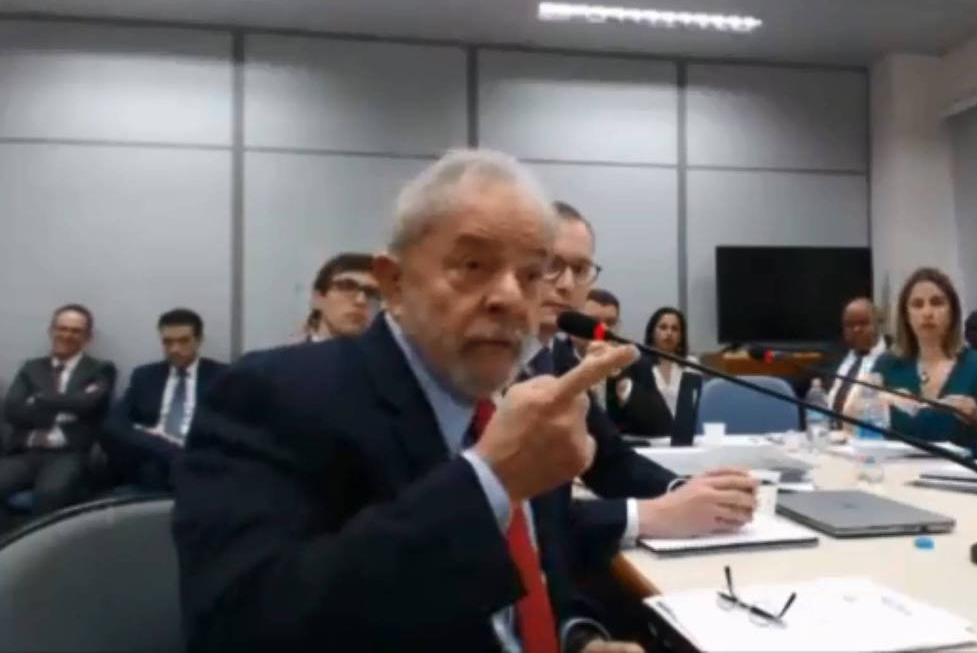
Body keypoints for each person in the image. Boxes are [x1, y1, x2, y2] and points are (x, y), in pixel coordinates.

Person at [172, 149, 644, 652]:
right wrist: (487, 482)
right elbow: (240, 628)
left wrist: (578, 640)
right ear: (393, 282)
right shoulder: (274, 396)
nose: (510, 298)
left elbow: (533, 585)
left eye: (531, 275)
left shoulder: (519, 401)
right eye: (473, 265)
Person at [539, 202, 756, 553]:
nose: (565, 284)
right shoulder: (494, 363)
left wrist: (685, 490)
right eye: (551, 264)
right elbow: (529, 518)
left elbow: (611, 460)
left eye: (580, 269)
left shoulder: (555, 357)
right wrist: (653, 515)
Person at [870, 268, 977, 459]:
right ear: (906, 316)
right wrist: (881, 398)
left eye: (937, 303)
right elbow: (851, 425)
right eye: (917, 305)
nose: (927, 312)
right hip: (899, 472)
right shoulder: (888, 364)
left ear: (953, 312)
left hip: (969, 473)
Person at [0, 304, 116, 528]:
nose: (67, 335)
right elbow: (12, 410)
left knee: (51, 494)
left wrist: (38, 399)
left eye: (75, 331)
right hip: (25, 451)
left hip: (68, 454)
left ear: (88, 337)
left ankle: (39, 548)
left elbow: (87, 405)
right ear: (51, 331)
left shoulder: (101, 369)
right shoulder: (31, 368)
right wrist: (66, 408)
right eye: (62, 328)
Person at [101, 309, 227, 491]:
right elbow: (115, 424)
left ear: (199, 340)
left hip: (201, 459)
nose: (174, 349)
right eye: (168, 342)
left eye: (183, 341)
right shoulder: (145, 376)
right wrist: (162, 446)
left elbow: (231, 427)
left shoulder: (221, 376)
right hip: (155, 459)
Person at [603, 307, 700, 438]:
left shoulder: (691, 364)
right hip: (649, 434)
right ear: (652, 332)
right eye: (663, 327)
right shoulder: (638, 364)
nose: (669, 333)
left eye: (675, 329)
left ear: (681, 336)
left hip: (684, 434)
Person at [826, 297, 888, 419]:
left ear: (878, 324)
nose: (856, 329)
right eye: (849, 325)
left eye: (863, 323)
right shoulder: (835, 354)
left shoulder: (893, 358)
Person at [305, 252, 380, 341]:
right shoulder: (293, 350)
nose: (361, 300)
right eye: (347, 287)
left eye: (372, 293)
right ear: (318, 298)